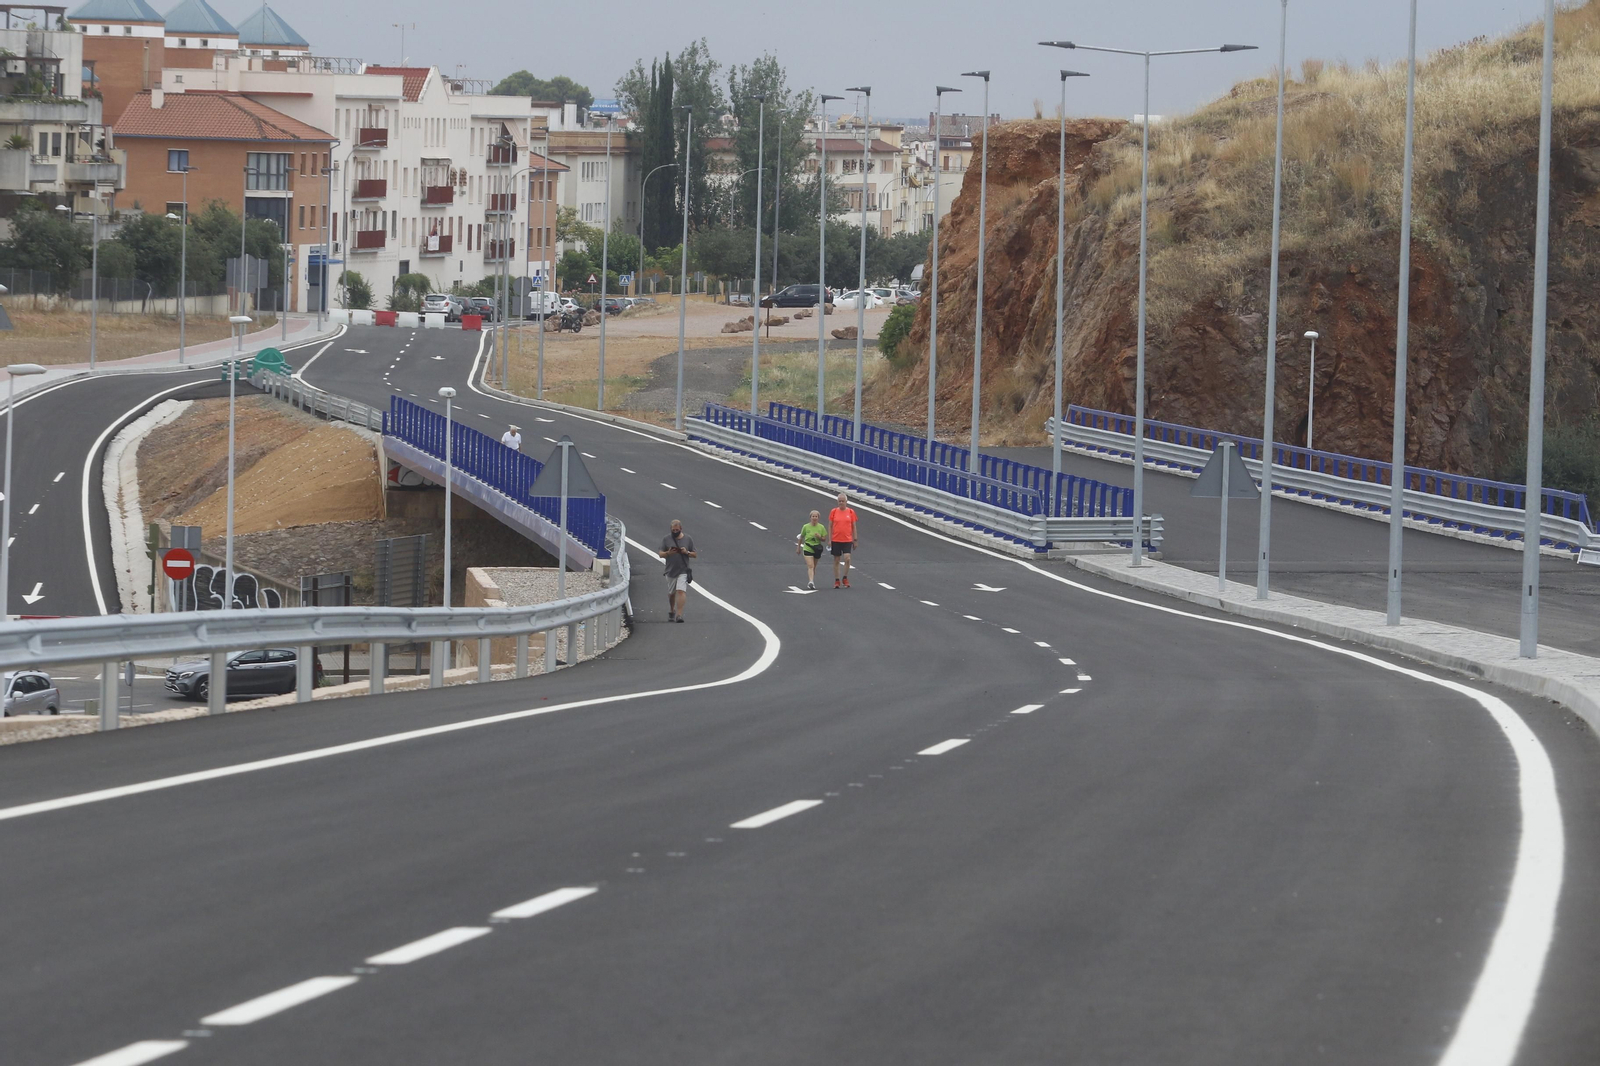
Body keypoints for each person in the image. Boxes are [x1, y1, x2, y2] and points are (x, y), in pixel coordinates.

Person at [659, 519, 696, 622]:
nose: (675, 532)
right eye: (673, 530)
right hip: (670, 570)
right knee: (671, 593)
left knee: (681, 591)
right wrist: (668, 553)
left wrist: (686, 552)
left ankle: (679, 615)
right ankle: (672, 610)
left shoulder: (688, 539)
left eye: (677, 530)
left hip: (683, 570)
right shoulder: (666, 539)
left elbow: (694, 554)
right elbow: (660, 554)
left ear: (681, 529)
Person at [828, 492, 858, 589]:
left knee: (847, 558)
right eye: (839, 501)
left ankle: (845, 577)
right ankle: (837, 580)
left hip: (847, 539)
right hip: (836, 539)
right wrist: (830, 539)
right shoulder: (833, 511)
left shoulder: (851, 512)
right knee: (836, 560)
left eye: (843, 501)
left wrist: (855, 539)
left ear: (846, 502)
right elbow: (830, 525)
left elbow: (854, 526)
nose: (841, 503)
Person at [795, 509, 829, 590]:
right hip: (808, 547)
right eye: (813, 516)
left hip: (817, 548)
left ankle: (812, 580)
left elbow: (824, 539)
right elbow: (801, 537)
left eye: (816, 516)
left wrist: (819, 537)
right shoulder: (806, 527)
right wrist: (798, 547)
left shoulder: (821, 527)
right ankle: (811, 582)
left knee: (814, 567)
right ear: (810, 517)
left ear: (818, 518)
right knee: (810, 565)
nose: (814, 518)